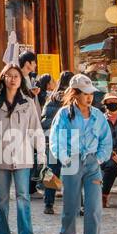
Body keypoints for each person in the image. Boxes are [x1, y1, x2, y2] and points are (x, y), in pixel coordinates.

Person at [0, 65, 45, 234]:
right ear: (3, 78)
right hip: (0, 155)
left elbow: (35, 128)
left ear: (21, 80)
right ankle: (3, 232)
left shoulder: (28, 103)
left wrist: (42, 153)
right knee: (2, 198)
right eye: (9, 76)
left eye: (16, 76)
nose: (13, 79)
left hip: (23, 154)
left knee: (23, 195)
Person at [48, 73, 112, 234]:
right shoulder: (64, 114)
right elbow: (56, 139)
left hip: (92, 163)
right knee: (71, 205)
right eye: (84, 93)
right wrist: (64, 158)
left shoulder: (98, 116)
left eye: (91, 93)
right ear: (75, 93)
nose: (89, 97)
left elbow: (106, 140)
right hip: (71, 162)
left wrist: (99, 159)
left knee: (94, 207)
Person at [40, 70, 72, 214]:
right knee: (73, 172)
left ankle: (48, 203)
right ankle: (77, 203)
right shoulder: (71, 99)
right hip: (70, 140)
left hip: (52, 139)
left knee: (52, 172)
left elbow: (45, 120)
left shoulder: (51, 98)